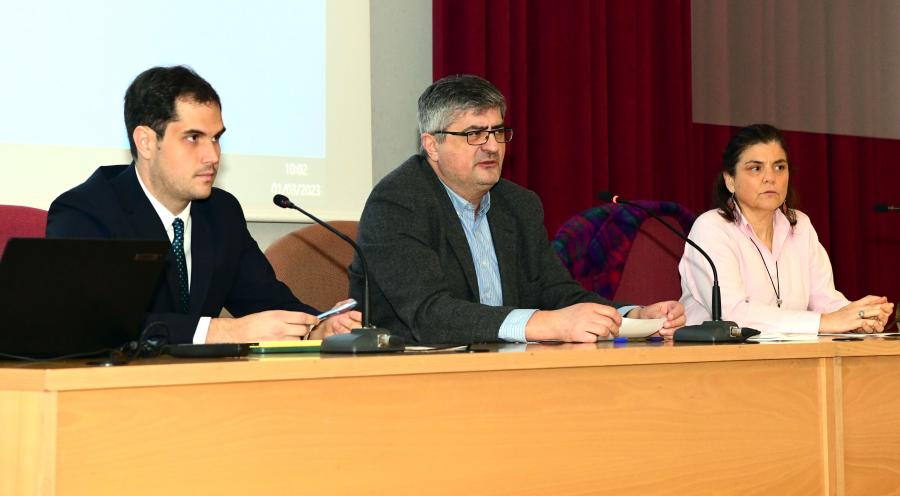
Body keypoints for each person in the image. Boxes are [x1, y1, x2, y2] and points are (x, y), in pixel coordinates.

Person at [349, 74, 685, 344]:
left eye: (498, 131)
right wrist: (544, 324)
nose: (492, 146)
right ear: (432, 145)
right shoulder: (397, 203)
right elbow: (428, 313)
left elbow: (554, 291)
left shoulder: (518, 204)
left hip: (505, 368)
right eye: (474, 134)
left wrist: (631, 316)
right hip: (415, 375)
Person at [46, 65, 361, 344]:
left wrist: (318, 327)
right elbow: (95, 325)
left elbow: (266, 302)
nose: (212, 156)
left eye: (216, 138)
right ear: (145, 142)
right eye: (193, 138)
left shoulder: (220, 212)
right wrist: (226, 331)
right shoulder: (87, 212)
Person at [678, 124, 893, 334]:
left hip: (788, 359)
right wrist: (825, 322)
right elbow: (733, 314)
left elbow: (824, 300)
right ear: (730, 181)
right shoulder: (711, 228)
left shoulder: (800, 227)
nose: (770, 177)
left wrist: (859, 316)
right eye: (756, 168)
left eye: (779, 167)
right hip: (716, 362)